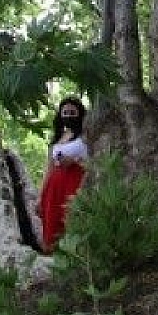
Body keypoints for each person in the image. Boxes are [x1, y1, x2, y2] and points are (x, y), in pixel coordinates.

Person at [38, 96, 88, 253]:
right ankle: (52, 257)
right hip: (54, 187)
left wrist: (74, 161)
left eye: (72, 112)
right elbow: (49, 169)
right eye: (65, 112)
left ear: (80, 114)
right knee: (52, 220)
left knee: (71, 219)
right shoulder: (57, 138)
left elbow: (94, 161)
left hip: (75, 183)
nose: (68, 116)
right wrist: (41, 195)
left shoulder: (86, 136)